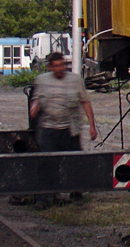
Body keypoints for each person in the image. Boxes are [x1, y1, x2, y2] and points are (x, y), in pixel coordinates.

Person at [28, 52, 98, 209]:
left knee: (74, 162)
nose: (60, 69)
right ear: (50, 67)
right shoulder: (42, 80)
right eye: (57, 66)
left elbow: (85, 102)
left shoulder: (75, 80)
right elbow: (37, 98)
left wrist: (92, 126)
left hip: (69, 129)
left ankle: (76, 194)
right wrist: (35, 106)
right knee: (47, 162)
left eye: (62, 65)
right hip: (48, 129)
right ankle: (46, 197)